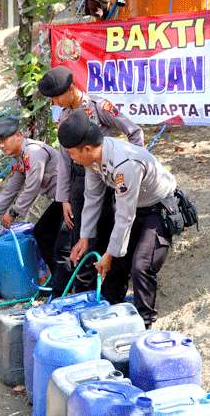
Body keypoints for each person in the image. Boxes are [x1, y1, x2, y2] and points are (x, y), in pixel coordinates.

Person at [62, 110, 177, 328]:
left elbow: (125, 216)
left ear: (86, 148)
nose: (72, 158)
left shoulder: (124, 164)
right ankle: (111, 310)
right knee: (115, 262)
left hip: (158, 208)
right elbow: (93, 197)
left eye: (72, 153)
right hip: (134, 207)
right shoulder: (95, 159)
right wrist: (85, 237)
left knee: (141, 264)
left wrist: (109, 253)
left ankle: (144, 324)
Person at [39, 65, 144, 291]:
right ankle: (84, 292)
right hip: (79, 184)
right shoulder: (65, 118)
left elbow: (134, 131)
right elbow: (65, 161)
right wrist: (64, 198)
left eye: (56, 97)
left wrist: (135, 166)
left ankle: (112, 291)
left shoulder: (99, 106)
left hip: (107, 179)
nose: (55, 103)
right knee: (82, 237)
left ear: (71, 89)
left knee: (107, 233)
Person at [0, 118, 65, 294]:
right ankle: (59, 283)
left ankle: (63, 286)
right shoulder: (21, 157)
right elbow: (10, 189)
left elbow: (32, 187)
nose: (1, 146)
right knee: (44, 235)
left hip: (70, 198)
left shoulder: (34, 152)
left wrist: (13, 213)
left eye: (4, 140)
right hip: (60, 200)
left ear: (18, 136)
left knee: (54, 239)